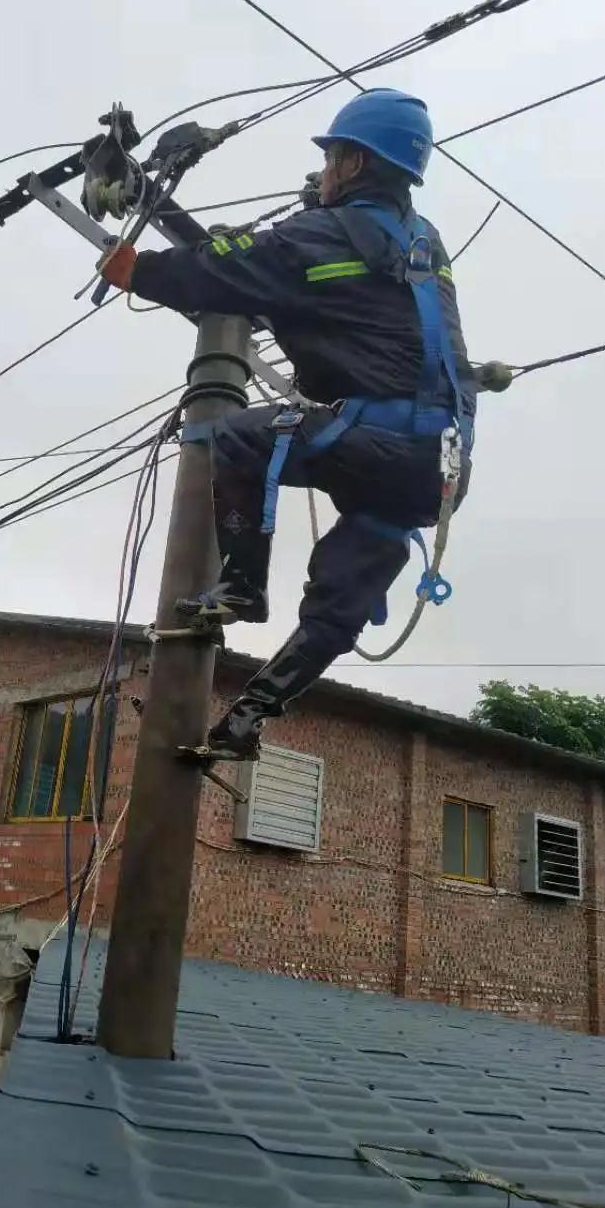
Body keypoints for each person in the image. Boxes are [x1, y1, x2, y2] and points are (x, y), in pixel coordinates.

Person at [97, 88, 476, 760]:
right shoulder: (424, 239)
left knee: (239, 437)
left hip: (375, 436)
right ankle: (248, 718)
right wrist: (315, 210)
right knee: (342, 598)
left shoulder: (321, 235)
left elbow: (226, 264)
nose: (324, 172)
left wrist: (136, 272)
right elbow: (352, 284)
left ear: (355, 162)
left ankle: (241, 586)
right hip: (439, 469)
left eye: (331, 160)